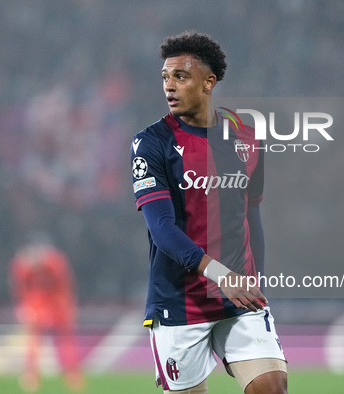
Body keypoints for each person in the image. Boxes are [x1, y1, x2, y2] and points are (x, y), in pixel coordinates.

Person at [131, 31, 287, 393]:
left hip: (236, 298)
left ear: (208, 82)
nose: (169, 86)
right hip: (179, 302)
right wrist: (222, 275)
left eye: (180, 77)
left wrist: (254, 280)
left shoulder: (248, 138)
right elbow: (162, 229)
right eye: (165, 78)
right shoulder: (151, 144)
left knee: (272, 386)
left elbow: (251, 217)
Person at [9, 235, 85, 392]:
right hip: (36, 302)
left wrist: (66, 306)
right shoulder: (23, 264)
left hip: (56, 301)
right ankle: (32, 376)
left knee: (64, 340)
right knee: (34, 340)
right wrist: (24, 306)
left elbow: (64, 284)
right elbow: (21, 288)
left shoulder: (55, 262)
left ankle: (72, 375)